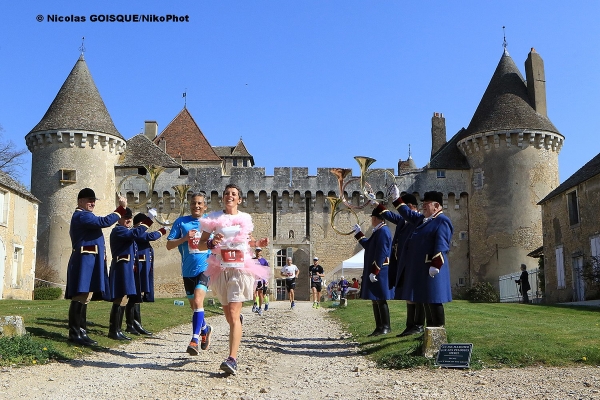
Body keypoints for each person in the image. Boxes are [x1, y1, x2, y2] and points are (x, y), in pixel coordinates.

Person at [199, 184, 269, 375]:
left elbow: (248, 241)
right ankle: (236, 322)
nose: (230, 196)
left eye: (234, 194)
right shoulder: (213, 218)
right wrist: (213, 241)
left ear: (239, 199)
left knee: (233, 310)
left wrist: (257, 244)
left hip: (240, 268)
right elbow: (200, 244)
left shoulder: (245, 218)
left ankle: (232, 359)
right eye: (227, 193)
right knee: (230, 316)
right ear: (223, 197)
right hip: (220, 268)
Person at [65, 188, 127, 346]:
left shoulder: (86, 215)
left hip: (90, 260)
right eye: (89, 200)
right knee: (80, 295)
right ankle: (74, 333)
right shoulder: (82, 215)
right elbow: (104, 222)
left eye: (93, 200)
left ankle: (82, 332)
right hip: (84, 259)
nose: (92, 203)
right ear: (80, 202)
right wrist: (120, 208)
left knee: (86, 297)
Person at [396, 190, 453, 328]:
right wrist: (397, 199)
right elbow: (408, 214)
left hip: (433, 267)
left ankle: (439, 332)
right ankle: (430, 333)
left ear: (437, 205)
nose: (423, 207)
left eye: (426, 204)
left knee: (434, 299)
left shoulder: (442, 220)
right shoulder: (424, 220)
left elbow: (442, 243)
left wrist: (436, 264)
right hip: (424, 268)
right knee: (427, 300)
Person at [371, 192, 426, 337]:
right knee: (409, 295)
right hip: (404, 262)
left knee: (417, 295)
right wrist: (375, 203)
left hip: (414, 262)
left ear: (409, 207)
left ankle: (418, 325)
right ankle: (410, 325)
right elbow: (389, 215)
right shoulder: (404, 221)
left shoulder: (418, 219)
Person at [166, 193, 213, 356]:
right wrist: (184, 238)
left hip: (205, 268)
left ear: (205, 206)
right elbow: (168, 245)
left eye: (200, 203)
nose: (197, 206)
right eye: (194, 203)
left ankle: (194, 339)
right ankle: (205, 329)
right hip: (187, 271)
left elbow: (217, 243)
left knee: (199, 300)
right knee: (194, 306)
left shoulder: (210, 223)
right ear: (189, 205)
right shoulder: (181, 222)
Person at [108, 207, 155, 340]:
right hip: (121, 267)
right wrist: (149, 220)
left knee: (124, 298)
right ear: (120, 219)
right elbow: (135, 234)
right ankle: (113, 330)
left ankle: (117, 329)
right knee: (119, 298)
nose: (128, 220)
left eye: (130, 218)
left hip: (127, 268)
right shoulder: (119, 230)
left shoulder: (126, 230)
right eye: (125, 218)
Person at [351, 208, 393, 336]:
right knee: (375, 299)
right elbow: (369, 245)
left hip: (380, 270)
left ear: (375, 218)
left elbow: (381, 253)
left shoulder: (383, 231)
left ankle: (385, 326)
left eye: (372, 218)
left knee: (380, 299)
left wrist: (375, 270)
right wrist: (359, 233)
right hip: (376, 269)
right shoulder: (378, 231)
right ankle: (379, 327)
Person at [126, 213, 168, 336]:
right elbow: (151, 236)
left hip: (144, 266)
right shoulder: (136, 232)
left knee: (139, 295)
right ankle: (131, 324)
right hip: (139, 266)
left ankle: (136, 323)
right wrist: (163, 230)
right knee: (134, 296)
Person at [252, 247, 270, 315]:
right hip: (254, 278)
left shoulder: (263, 261)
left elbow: (267, 270)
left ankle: (260, 308)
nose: (258, 252)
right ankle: (255, 304)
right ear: (255, 252)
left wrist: (266, 279)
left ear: (261, 252)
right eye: (257, 251)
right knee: (254, 293)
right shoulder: (252, 260)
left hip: (261, 279)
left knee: (261, 293)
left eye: (259, 251)